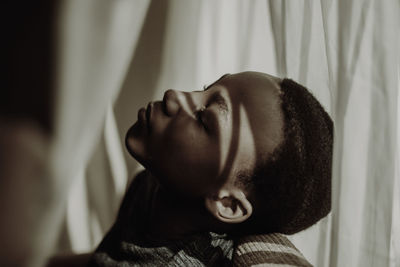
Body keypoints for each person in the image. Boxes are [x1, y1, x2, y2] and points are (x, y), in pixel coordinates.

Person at [88, 71, 333, 266]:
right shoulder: (150, 186)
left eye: (204, 120)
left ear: (227, 204)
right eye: (206, 89)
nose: (173, 96)